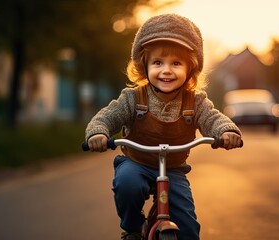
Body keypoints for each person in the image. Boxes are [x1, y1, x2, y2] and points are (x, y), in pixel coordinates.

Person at [85, 13, 243, 240]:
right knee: (127, 184)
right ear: (144, 65)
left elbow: (213, 118)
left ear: (191, 69)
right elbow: (107, 116)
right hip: (136, 162)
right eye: (158, 62)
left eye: (176, 63)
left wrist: (226, 132)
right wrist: (98, 132)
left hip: (173, 170)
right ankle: (132, 228)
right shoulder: (133, 98)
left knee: (188, 225)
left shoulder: (195, 101)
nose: (166, 70)